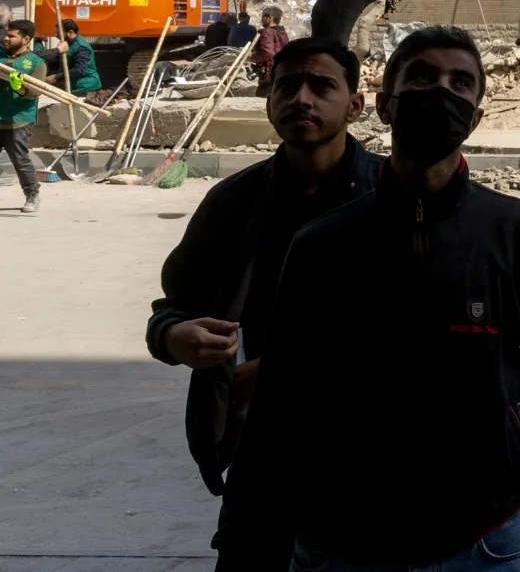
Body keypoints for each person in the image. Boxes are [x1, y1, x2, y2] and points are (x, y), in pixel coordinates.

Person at [216, 26, 520, 572]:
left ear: (477, 115)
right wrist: (242, 539)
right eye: (421, 76)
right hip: (342, 540)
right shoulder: (322, 244)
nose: (440, 91)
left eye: (460, 82)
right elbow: (280, 402)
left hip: (488, 539)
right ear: (385, 105)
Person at [146, 38, 381, 504]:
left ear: (355, 105)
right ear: (270, 102)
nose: (302, 98)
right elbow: (175, 305)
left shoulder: (391, 198)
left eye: (321, 86)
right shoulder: (233, 202)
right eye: (287, 85)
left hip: (374, 448)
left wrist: (285, 372)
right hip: (261, 446)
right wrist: (173, 336)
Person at [1, 18, 45, 216]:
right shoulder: (1, 58)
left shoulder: (36, 63)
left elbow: (34, 93)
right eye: (6, 34)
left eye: (11, 35)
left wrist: (18, 87)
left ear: (26, 39)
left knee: (19, 159)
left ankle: (32, 194)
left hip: (18, 118)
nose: (6, 38)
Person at [57, 18, 102, 94]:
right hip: (76, 84)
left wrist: (55, 77)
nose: (56, 35)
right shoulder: (69, 44)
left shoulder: (81, 47)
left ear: (70, 32)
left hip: (86, 87)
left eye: (58, 33)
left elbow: (79, 70)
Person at [249, 6, 289, 88]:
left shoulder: (267, 32)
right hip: (281, 70)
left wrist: (251, 58)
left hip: (270, 72)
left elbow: (268, 53)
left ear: (270, 18)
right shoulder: (281, 31)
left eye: (263, 17)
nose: (261, 20)